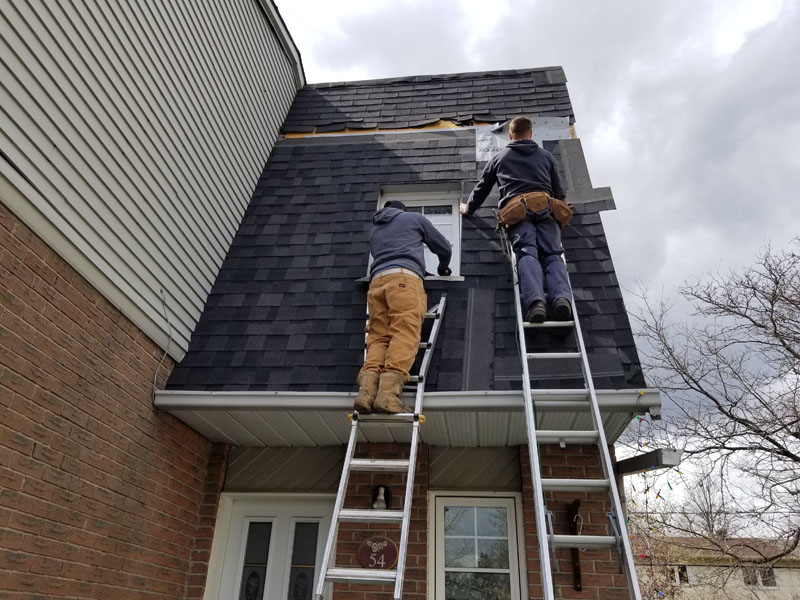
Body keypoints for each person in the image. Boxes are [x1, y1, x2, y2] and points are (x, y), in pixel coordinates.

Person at [460, 116, 572, 323]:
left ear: (511, 136)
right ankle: (561, 299)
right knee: (553, 254)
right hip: (546, 208)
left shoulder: (500, 158)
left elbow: (482, 188)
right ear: (530, 134)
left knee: (527, 253)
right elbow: (559, 191)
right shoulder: (546, 156)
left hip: (517, 212)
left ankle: (536, 303)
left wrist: (469, 208)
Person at [354, 200, 452, 415]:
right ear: (402, 210)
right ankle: (388, 394)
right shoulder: (413, 218)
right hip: (403, 280)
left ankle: (367, 392)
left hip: (377, 282)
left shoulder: (375, 230)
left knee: (379, 336)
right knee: (405, 330)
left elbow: (393, 251)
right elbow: (442, 246)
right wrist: (444, 267)